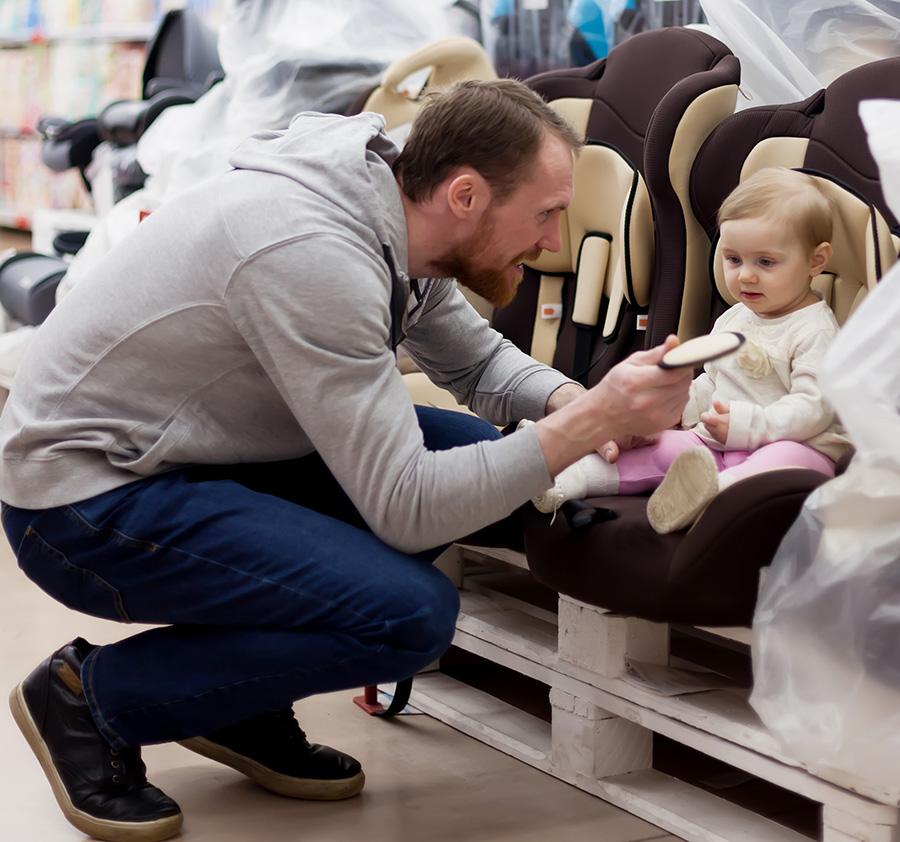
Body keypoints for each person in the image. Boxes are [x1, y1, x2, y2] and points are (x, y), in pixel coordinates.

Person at [0, 79, 692, 842]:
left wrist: (574, 407)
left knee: (469, 453)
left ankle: (234, 701)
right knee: (407, 615)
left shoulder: (393, 209)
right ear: (464, 194)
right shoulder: (313, 252)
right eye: (547, 214)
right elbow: (407, 508)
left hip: (192, 457)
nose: (555, 242)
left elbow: (479, 364)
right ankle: (89, 697)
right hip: (86, 502)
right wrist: (591, 419)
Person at [532, 166, 852, 533]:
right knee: (660, 448)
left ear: (816, 260)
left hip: (795, 447)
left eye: (765, 262)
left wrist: (747, 428)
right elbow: (710, 383)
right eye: (733, 259)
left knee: (785, 464)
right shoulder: (735, 319)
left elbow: (814, 408)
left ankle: (710, 496)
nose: (745, 275)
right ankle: (567, 480)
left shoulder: (817, 332)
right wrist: (673, 412)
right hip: (716, 442)